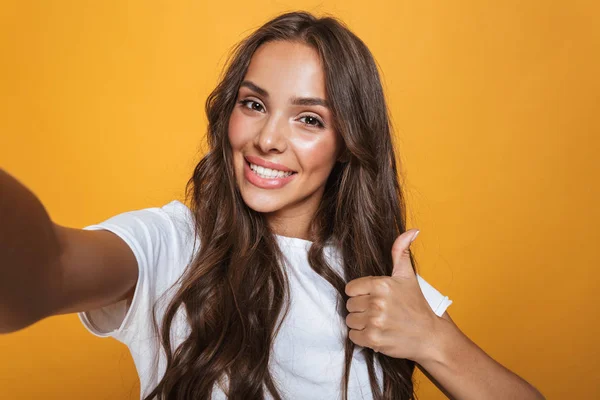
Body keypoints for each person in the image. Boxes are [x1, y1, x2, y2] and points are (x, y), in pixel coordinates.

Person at [0, 10, 544, 400]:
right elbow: (45, 269)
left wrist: (432, 339)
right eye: (254, 104)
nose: (267, 138)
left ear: (349, 141)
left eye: (309, 118)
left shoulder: (387, 285)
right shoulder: (177, 245)